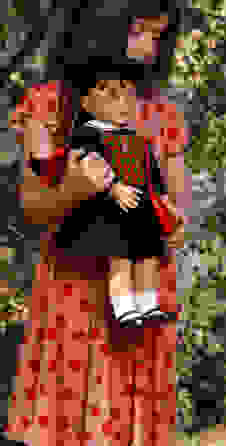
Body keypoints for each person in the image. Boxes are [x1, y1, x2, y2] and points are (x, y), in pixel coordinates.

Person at [5, 0, 190, 444]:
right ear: (101, 25)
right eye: (138, 32)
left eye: (158, 37)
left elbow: (178, 212)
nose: (148, 49)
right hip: (72, 294)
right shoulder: (49, 104)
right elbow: (32, 206)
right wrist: (77, 187)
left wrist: (169, 220)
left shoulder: (163, 117)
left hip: (140, 298)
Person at [30, 63, 179, 327]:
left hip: (143, 207)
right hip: (113, 209)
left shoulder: (138, 140)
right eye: (110, 94)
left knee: (146, 258)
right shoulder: (88, 134)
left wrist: (167, 203)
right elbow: (90, 163)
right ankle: (124, 310)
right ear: (86, 101)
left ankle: (149, 306)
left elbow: (154, 176)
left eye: (126, 95)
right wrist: (114, 187)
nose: (121, 102)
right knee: (120, 261)